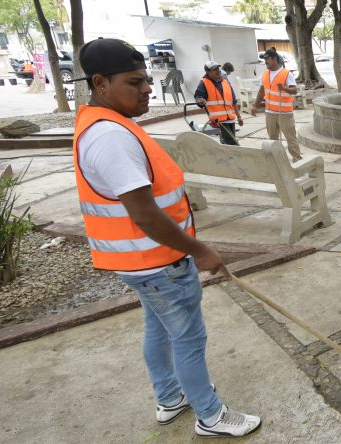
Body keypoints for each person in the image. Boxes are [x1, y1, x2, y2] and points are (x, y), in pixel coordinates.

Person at [71, 38, 261, 438]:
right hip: (159, 262)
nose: (147, 89)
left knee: (159, 329)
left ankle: (170, 397)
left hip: (144, 263)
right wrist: (199, 250)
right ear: (101, 83)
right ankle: (210, 416)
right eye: (135, 82)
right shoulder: (111, 136)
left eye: (146, 80)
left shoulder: (109, 125)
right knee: (188, 336)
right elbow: (144, 214)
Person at [250, 48, 302, 162]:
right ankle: (276, 161)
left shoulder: (286, 73)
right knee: (272, 140)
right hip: (270, 113)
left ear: (274, 59)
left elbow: (294, 91)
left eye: (267, 59)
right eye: (264, 60)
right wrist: (255, 106)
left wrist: (284, 88)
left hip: (285, 113)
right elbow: (261, 91)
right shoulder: (265, 73)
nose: (265, 62)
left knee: (291, 139)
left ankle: (297, 161)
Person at [194, 61, 243, 145]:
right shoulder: (204, 83)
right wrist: (200, 100)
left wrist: (239, 117)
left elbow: (234, 101)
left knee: (230, 142)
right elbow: (199, 96)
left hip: (230, 119)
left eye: (218, 68)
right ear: (208, 72)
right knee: (231, 143)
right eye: (214, 69)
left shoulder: (225, 82)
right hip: (218, 121)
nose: (218, 71)